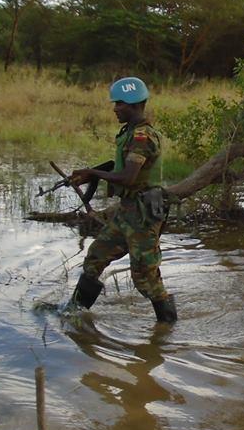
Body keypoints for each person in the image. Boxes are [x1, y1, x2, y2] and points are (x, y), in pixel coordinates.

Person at [68, 77, 176, 323]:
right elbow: (121, 169)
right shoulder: (129, 133)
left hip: (143, 215)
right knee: (95, 256)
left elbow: (128, 177)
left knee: (146, 278)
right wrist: (93, 174)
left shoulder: (143, 137)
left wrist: (93, 173)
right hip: (127, 211)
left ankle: (167, 331)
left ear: (134, 104)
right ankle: (73, 313)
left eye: (119, 103)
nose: (115, 108)